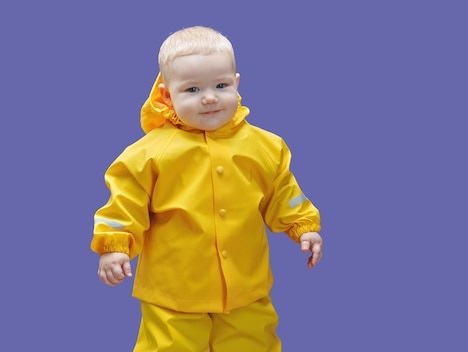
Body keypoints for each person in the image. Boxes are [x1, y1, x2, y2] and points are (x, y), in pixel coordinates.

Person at [90, 25, 323, 351]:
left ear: (236, 83)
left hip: (245, 285)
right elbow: (124, 204)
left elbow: (283, 191)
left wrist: (303, 226)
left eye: (221, 85)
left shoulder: (265, 146)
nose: (210, 97)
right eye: (193, 90)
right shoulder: (148, 154)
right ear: (167, 94)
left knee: (254, 342)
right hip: (174, 289)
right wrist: (114, 245)